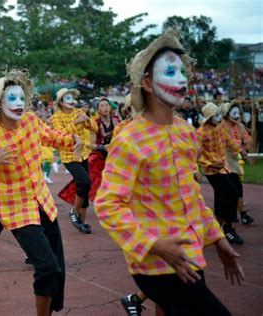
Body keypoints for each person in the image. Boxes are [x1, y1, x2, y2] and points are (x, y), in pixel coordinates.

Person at [95, 29, 244, 315]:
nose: (181, 80)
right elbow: (108, 205)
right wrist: (154, 244)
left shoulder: (186, 132)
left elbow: (191, 195)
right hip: (154, 265)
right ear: (147, 83)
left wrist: (218, 239)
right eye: (170, 71)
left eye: (182, 72)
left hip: (188, 255)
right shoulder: (129, 139)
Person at [0, 69, 82, 315]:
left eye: (21, 98)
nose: (19, 104)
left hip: (43, 202)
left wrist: (72, 140)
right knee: (47, 267)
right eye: (12, 99)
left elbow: (50, 137)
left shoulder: (30, 121)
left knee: (57, 267)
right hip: (17, 210)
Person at [197, 102, 247, 244]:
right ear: (208, 118)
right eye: (216, 115)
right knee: (231, 193)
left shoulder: (220, 127)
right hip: (212, 171)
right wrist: (210, 164)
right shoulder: (201, 133)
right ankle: (228, 228)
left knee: (222, 198)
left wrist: (241, 150)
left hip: (224, 167)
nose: (219, 117)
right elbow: (196, 154)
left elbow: (229, 141)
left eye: (219, 114)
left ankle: (216, 229)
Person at [51, 88, 97, 234]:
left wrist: (87, 121)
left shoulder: (79, 112)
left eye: (72, 98)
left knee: (84, 186)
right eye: (67, 98)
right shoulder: (56, 117)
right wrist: (76, 122)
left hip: (83, 153)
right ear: (61, 102)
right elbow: (60, 134)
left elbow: (94, 128)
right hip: (69, 156)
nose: (71, 101)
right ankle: (74, 211)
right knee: (85, 181)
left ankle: (82, 223)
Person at [221, 102, 254, 225]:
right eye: (234, 113)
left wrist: (246, 148)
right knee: (229, 189)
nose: (237, 116)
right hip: (222, 161)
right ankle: (233, 215)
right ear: (227, 114)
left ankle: (241, 214)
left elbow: (248, 140)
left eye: (238, 113)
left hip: (234, 161)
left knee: (236, 187)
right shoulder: (221, 126)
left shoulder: (240, 126)